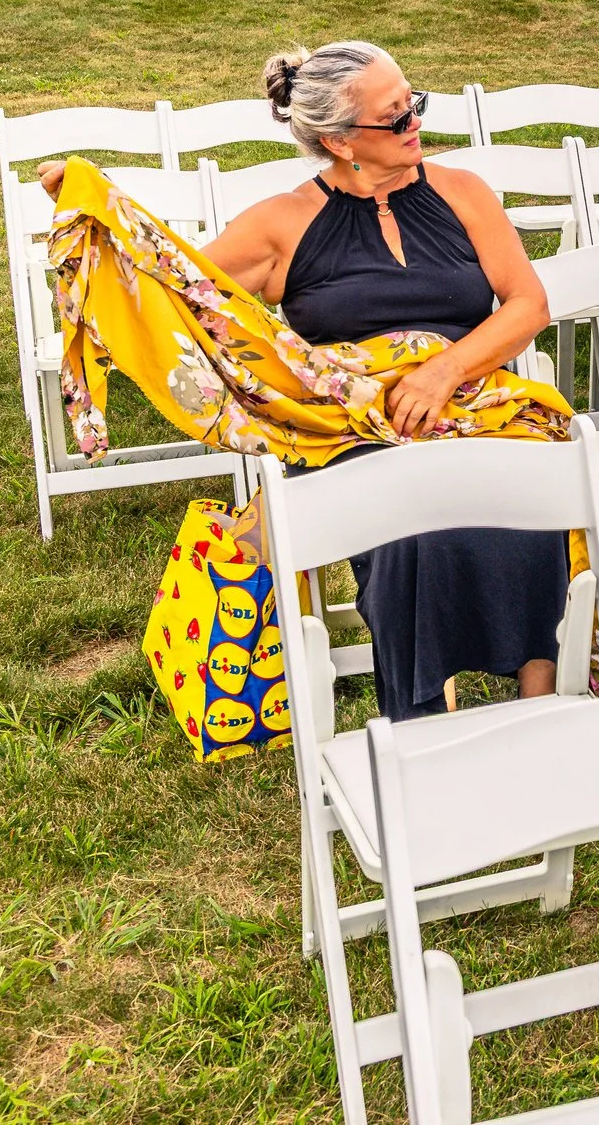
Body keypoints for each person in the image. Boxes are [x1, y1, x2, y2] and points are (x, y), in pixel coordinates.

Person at [117, 40, 567, 723]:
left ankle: (546, 716)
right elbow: (169, 292)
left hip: (474, 404)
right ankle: (425, 724)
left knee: (530, 500)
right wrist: (92, 206)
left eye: (413, 103)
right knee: (414, 530)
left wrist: (446, 368)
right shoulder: (282, 223)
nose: (416, 122)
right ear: (339, 139)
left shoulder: (462, 192)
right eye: (395, 117)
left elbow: (528, 305)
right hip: (354, 433)